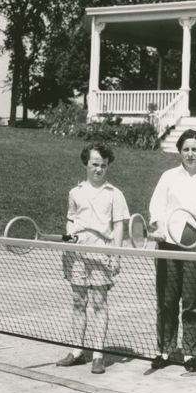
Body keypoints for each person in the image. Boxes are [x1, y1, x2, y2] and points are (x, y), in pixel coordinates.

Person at [148, 129, 196, 373]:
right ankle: (164, 350)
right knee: (167, 301)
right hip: (168, 245)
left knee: (194, 302)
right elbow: (156, 208)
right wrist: (158, 228)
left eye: (195, 149)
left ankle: (191, 353)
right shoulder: (168, 177)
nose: (190, 154)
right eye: (186, 149)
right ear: (180, 151)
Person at [56, 143, 129, 375]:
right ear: (86, 164)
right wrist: (69, 239)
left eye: (103, 166)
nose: (99, 169)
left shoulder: (115, 194)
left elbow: (119, 227)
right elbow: (71, 219)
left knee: (99, 303)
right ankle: (77, 352)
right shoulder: (75, 192)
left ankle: (98, 355)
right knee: (78, 302)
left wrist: (116, 256)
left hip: (101, 254)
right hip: (76, 255)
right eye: (95, 164)